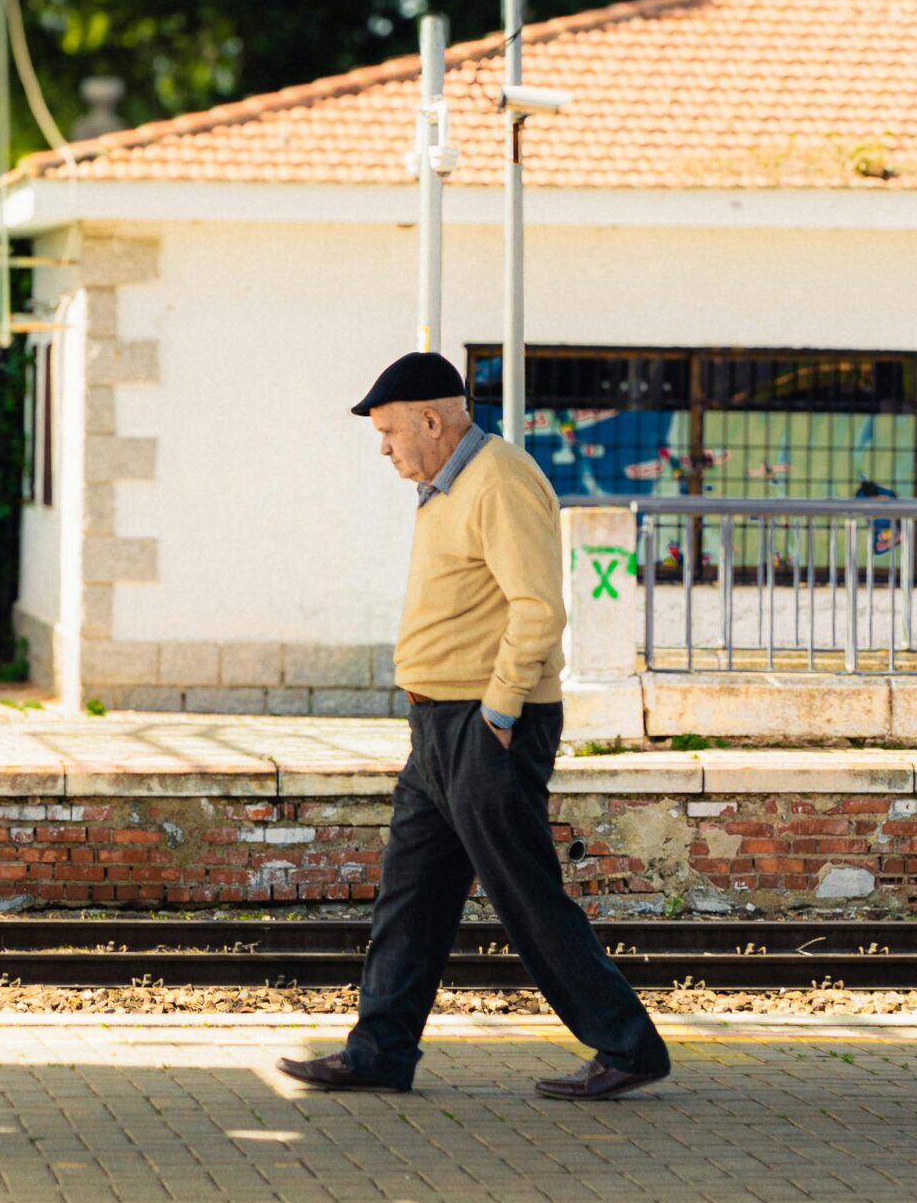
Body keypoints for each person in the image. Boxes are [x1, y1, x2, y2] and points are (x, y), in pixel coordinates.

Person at [278, 352, 671, 1101]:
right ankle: (380, 1053)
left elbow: (539, 609)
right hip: (438, 726)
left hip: (483, 725)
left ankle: (629, 1045)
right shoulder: (444, 488)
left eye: (391, 430)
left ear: (433, 419)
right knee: (411, 895)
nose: (384, 447)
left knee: (524, 893)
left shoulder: (499, 480)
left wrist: (498, 710)